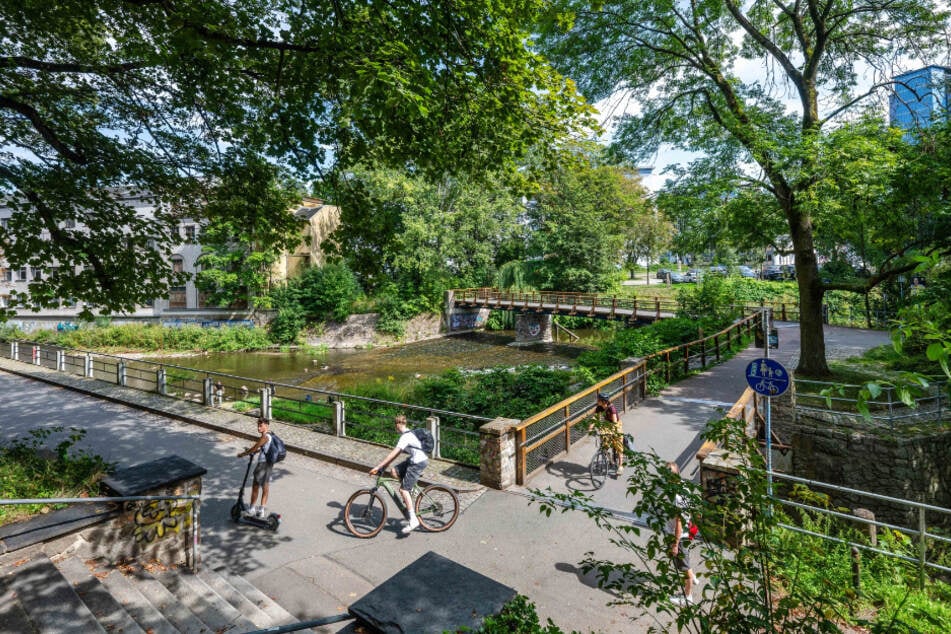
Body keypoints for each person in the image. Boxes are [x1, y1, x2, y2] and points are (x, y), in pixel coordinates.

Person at [370, 414, 428, 534]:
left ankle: (413, 520)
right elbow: (396, 455)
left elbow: (392, 454)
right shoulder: (407, 433)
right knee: (394, 471)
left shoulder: (405, 437)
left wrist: (378, 466)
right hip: (414, 460)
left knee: (403, 491)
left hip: (418, 462)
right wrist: (385, 466)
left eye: (395, 426)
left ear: (397, 425)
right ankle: (411, 489)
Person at [667, 461, 698, 606]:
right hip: (686, 532)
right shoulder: (685, 487)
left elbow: (679, 522)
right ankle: (692, 577)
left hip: (680, 535)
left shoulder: (677, 497)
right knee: (685, 565)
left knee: (684, 568)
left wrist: (675, 543)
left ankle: (688, 597)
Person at [236, 418, 275, 518]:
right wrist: (255, 451)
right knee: (265, 487)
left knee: (255, 487)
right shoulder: (271, 435)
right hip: (269, 464)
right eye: (258, 425)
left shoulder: (265, 437)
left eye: (260, 426)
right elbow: (264, 448)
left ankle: (252, 509)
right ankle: (261, 510)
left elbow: (255, 447)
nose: (258, 428)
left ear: (266, 425)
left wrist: (242, 454)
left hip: (262, 464)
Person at [592, 393, 624, 475]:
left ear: (603, 401)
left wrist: (612, 433)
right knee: (604, 444)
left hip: (615, 425)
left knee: (618, 445)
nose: (597, 401)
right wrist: (590, 428)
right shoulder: (599, 408)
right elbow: (594, 418)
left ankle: (620, 466)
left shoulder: (611, 409)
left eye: (598, 400)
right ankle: (608, 456)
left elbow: (614, 422)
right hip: (607, 425)